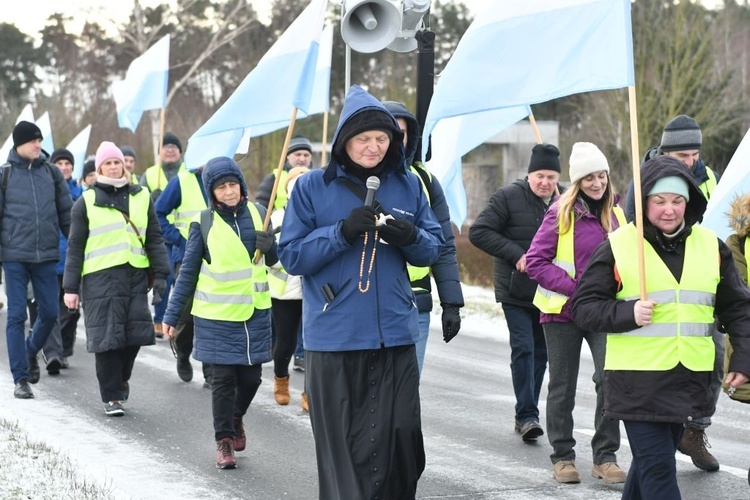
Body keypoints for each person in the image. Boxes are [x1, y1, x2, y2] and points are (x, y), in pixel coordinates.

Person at [278, 85, 444, 499]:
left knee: (404, 441)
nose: (373, 147)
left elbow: (433, 247)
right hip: (335, 338)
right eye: (363, 139)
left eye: (382, 138)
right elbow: (292, 256)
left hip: (395, 335)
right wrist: (341, 232)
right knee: (345, 454)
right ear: (343, 142)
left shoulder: (408, 187)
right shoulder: (311, 187)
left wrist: (409, 235)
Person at [570, 155, 750, 498]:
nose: (669, 210)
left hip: (688, 382)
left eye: (677, 201)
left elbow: (739, 307)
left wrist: (743, 357)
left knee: (651, 465)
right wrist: (627, 313)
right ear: (643, 202)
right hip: (636, 385)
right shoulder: (620, 245)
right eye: (659, 201)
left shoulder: (710, 246)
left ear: (689, 202)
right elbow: (583, 308)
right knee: (659, 469)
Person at [162, 156, 277, 470]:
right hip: (216, 315)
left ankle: (235, 417)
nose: (228, 192)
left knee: (252, 378)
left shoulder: (259, 214)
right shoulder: (204, 222)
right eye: (221, 187)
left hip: (254, 314)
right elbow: (188, 272)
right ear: (211, 192)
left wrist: (272, 247)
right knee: (223, 380)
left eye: (233, 185)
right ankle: (224, 442)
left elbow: (278, 263)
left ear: (241, 185)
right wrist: (172, 316)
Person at [625, 115, 723, 471]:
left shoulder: (707, 176)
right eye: (683, 154)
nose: (691, 162)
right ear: (665, 151)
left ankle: (694, 429)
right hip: (657, 289)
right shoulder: (645, 180)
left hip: (703, 280)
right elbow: (630, 234)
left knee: (712, 357)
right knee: (651, 375)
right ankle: (640, 439)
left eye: (695, 154)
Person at [525, 142, 627, 484]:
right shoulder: (559, 212)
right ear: (577, 182)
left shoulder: (619, 215)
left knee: (609, 380)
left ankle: (606, 457)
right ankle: (563, 457)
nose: (597, 183)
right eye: (588, 178)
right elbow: (535, 262)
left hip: (603, 313)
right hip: (562, 313)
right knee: (563, 386)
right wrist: (575, 289)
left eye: (601, 176)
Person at [63, 141, 170, 416]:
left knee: (134, 335)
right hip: (100, 278)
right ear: (99, 168)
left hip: (135, 274)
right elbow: (75, 247)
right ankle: (111, 397)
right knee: (108, 338)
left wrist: (161, 274)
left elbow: (155, 238)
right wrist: (70, 288)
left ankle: (121, 379)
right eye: (107, 163)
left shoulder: (142, 196)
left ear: (124, 165)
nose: (113, 166)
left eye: (117, 162)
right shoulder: (85, 201)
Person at [469, 143, 561, 442]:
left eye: (551, 176)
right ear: (529, 174)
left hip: (548, 292)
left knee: (542, 353)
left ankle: (527, 409)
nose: (545, 182)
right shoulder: (508, 196)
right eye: (539, 176)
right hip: (515, 290)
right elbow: (479, 232)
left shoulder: (565, 202)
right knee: (523, 348)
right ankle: (527, 415)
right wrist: (517, 254)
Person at [383, 100, 463, 376]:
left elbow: (443, 245)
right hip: (367, 303)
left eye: (401, 134)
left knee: (405, 393)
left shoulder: (425, 181)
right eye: (388, 132)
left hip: (415, 303)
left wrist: (451, 303)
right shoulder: (358, 179)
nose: (395, 140)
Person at [1, 121, 72, 399]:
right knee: (16, 315)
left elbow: (67, 215)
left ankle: (31, 352)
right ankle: (20, 379)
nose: (38, 145)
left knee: (51, 313)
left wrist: (78, 253)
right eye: (33, 141)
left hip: (46, 256)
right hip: (14, 257)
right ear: (18, 144)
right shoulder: (4, 175)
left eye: (40, 141)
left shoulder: (52, 174)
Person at [154, 165, 211, 386]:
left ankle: (210, 370)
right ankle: (183, 351)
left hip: (219, 258)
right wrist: (180, 239)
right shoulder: (181, 181)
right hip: (186, 258)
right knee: (186, 314)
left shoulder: (223, 180)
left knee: (211, 313)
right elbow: (158, 213)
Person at [267, 166, 309, 411]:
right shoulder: (278, 218)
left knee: (314, 343)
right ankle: (281, 379)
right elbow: (272, 256)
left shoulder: (321, 213)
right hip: (286, 290)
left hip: (316, 288)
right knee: (285, 342)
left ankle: (310, 391)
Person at [141, 132, 184, 338]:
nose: (169, 150)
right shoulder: (150, 174)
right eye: (165, 146)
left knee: (182, 282)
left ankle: (178, 323)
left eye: (173, 147)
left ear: (180, 152)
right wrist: (152, 198)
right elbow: (138, 201)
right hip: (159, 236)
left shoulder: (187, 172)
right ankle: (159, 319)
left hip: (182, 236)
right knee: (163, 280)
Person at [46, 148, 84, 370]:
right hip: (52, 259)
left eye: (67, 164)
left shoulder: (82, 193)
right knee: (52, 308)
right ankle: (53, 351)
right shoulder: (46, 191)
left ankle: (63, 350)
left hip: (75, 260)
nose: (64, 168)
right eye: (59, 164)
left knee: (72, 310)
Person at [255, 135, 313, 210]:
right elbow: (261, 207)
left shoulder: (316, 179)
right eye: (298, 154)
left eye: (306, 155)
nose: (302, 159)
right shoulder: (275, 178)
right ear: (287, 156)